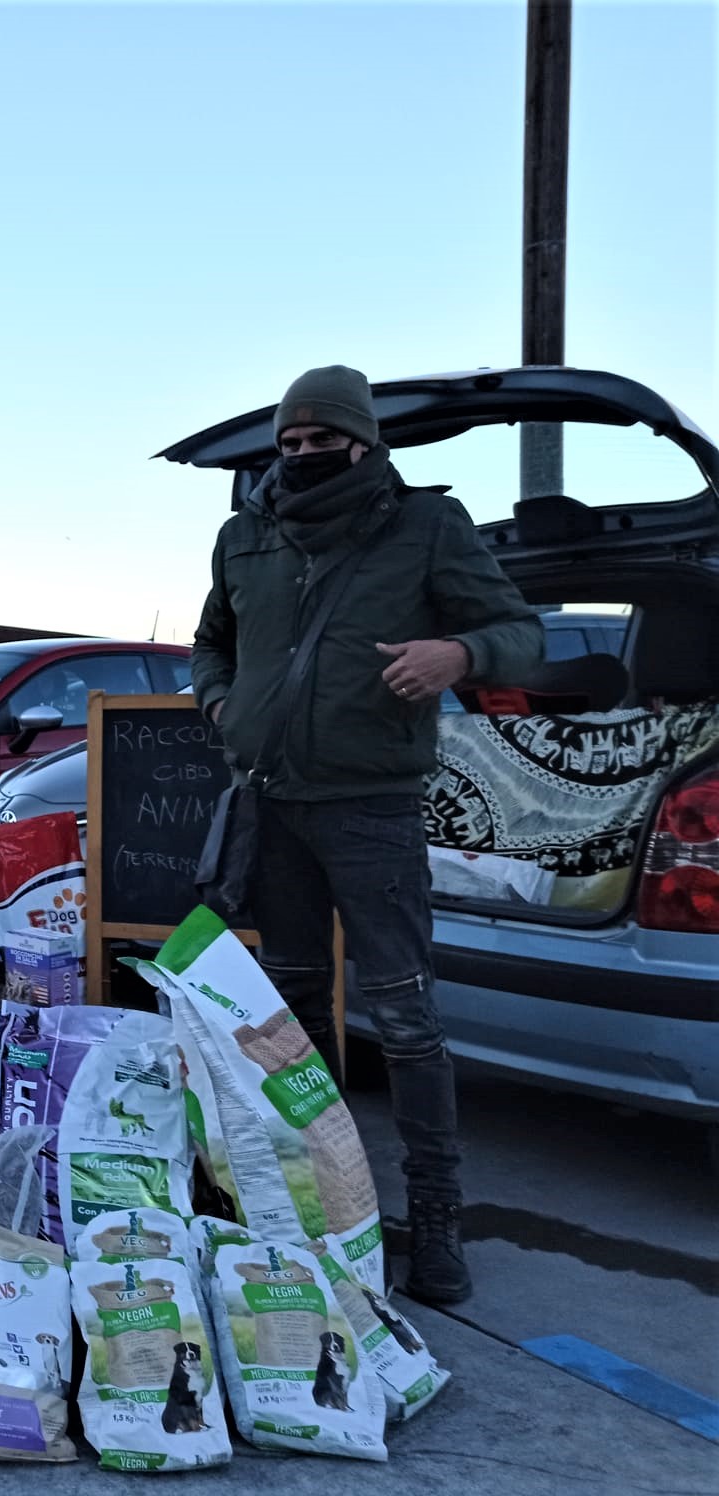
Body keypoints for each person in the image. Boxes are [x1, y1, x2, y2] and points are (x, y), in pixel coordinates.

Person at [191, 364, 544, 1307]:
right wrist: (219, 698)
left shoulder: (426, 527)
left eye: (323, 441)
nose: (304, 456)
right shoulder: (244, 535)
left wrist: (457, 653)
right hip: (269, 801)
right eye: (291, 443)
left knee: (405, 1019)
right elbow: (210, 641)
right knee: (299, 1016)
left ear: (364, 443)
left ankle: (436, 1219)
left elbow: (521, 633)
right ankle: (332, 1206)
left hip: (371, 807)